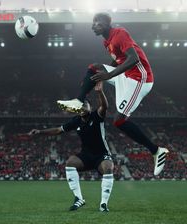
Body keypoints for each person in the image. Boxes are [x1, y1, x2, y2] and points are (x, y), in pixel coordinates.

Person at [57, 12, 169, 176]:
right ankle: (79, 101)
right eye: (93, 22)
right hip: (125, 75)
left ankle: (156, 150)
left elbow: (134, 58)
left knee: (119, 121)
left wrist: (109, 75)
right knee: (94, 67)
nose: (93, 25)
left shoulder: (120, 33)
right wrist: (104, 75)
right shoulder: (106, 41)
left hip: (140, 79)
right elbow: (117, 61)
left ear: (107, 23)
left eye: (97, 22)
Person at [28, 82, 113, 212]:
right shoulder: (76, 121)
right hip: (86, 155)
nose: (84, 106)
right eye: (81, 105)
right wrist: (40, 131)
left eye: (86, 104)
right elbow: (58, 130)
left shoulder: (96, 116)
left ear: (90, 107)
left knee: (108, 167)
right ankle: (79, 198)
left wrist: (100, 92)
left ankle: (103, 204)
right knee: (70, 163)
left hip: (101, 154)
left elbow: (105, 106)